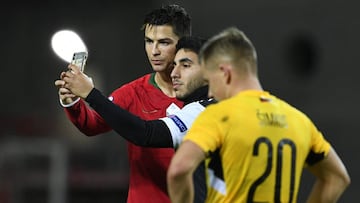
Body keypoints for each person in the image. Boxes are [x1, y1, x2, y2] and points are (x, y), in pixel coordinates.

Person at [167, 27, 351, 203]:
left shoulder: (218, 115)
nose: (210, 93)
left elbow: (179, 170)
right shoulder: (299, 120)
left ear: (225, 73)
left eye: (210, 82)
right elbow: (337, 178)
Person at [54, 4, 191, 203]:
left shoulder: (205, 95)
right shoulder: (133, 92)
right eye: (149, 41)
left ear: (183, 44)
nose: (154, 51)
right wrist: (73, 102)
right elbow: (92, 124)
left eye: (163, 42)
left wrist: (91, 93)